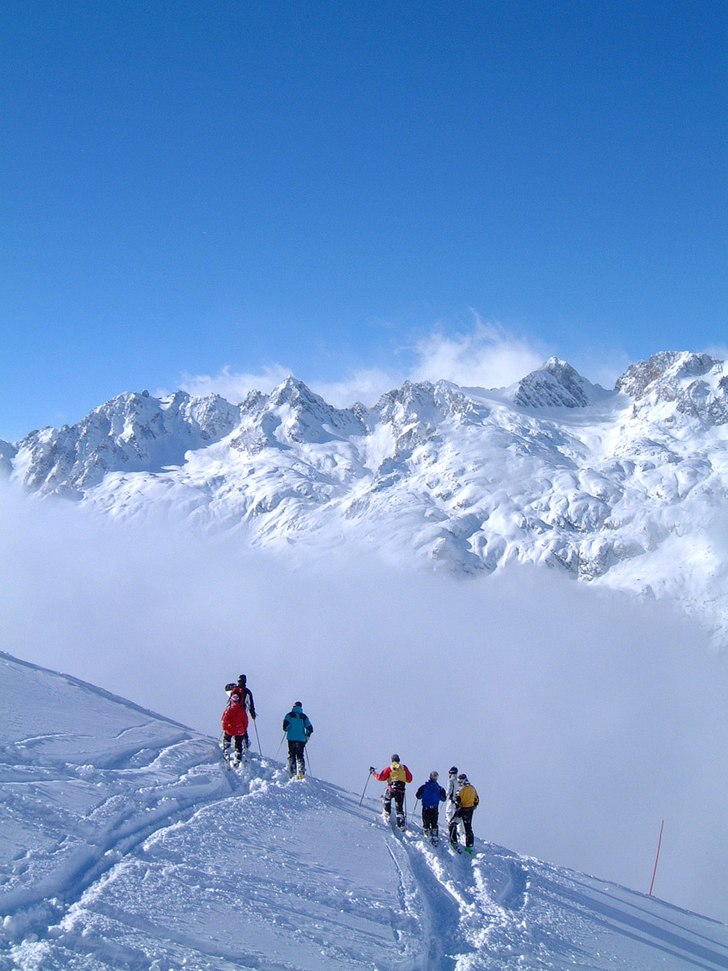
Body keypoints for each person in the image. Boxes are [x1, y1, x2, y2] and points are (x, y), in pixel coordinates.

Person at [370, 755, 413, 830]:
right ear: (399, 760)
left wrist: (373, 772)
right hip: (401, 790)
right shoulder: (403, 767)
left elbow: (380, 777)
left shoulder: (389, 768)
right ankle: (401, 824)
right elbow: (410, 779)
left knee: (387, 799)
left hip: (392, 788)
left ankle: (387, 813)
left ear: (392, 760)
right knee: (399, 807)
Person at [448, 772, 480, 853]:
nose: (459, 784)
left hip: (462, 809)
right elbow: (477, 799)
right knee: (468, 828)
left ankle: (454, 842)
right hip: (470, 810)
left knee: (452, 824)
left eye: (460, 782)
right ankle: (469, 846)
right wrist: (473, 806)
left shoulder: (461, 789)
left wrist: (455, 803)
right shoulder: (472, 788)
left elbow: (457, 800)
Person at [225, 675, 257, 751]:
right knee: (242, 727)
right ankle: (244, 744)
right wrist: (253, 714)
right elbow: (250, 704)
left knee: (230, 725)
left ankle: (226, 746)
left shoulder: (234, 690)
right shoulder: (247, 692)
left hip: (232, 711)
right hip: (242, 713)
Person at [283, 701, 313, 779]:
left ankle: (292, 772)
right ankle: (301, 772)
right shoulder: (303, 716)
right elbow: (310, 728)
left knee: (292, 754)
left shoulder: (289, 715)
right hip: (301, 739)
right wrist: (307, 736)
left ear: (293, 707)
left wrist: (288, 728)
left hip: (291, 738)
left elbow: (285, 727)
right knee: (300, 755)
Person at [415, 771, 446, 844]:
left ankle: (426, 834)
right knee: (434, 823)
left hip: (426, 807)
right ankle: (434, 836)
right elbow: (443, 799)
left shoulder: (424, 787)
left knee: (426, 822)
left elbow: (418, 796)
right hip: (434, 808)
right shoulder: (439, 788)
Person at [221, 690, 249, 766]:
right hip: (239, 730)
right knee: (238, 742)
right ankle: (238, 755)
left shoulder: (229, 709)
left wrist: (224, 727)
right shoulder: (242, 710)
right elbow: (245, 721)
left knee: (227, 737)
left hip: (230, 729)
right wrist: (244, 729)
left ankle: (226, 750)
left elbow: (224, 719)